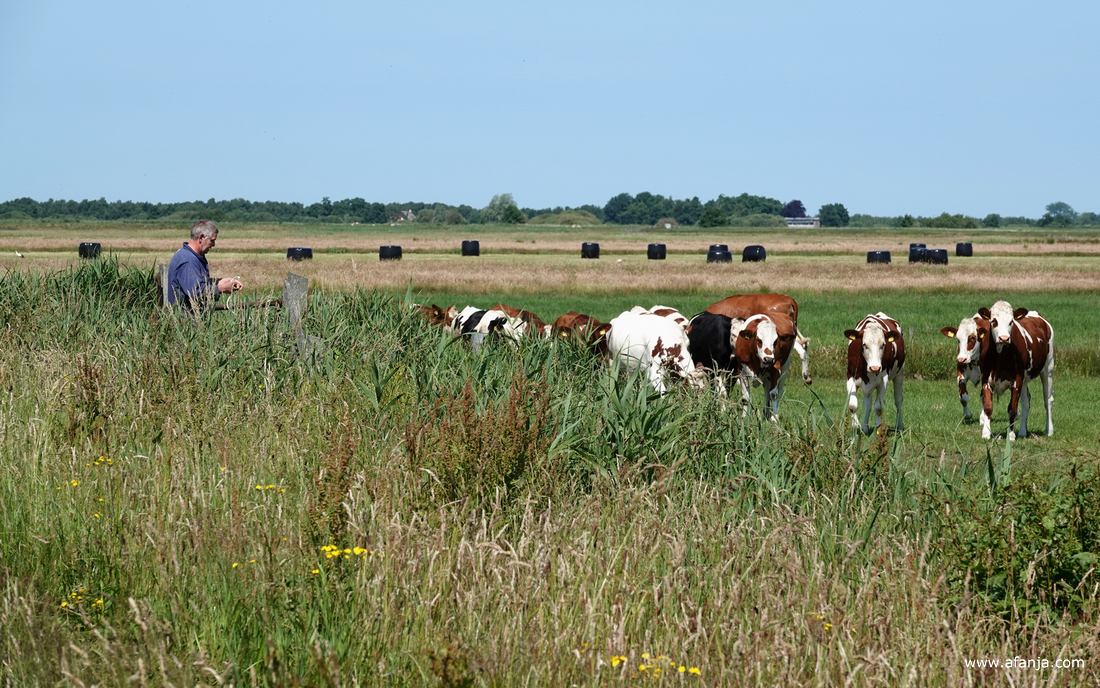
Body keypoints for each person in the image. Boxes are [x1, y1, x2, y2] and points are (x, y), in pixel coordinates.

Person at [166, 219, 243, 308]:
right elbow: (197, 292)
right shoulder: (188, 261)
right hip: (185, 319)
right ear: (201, 238)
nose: (213, 245)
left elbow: (199, 283)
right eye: (212, 240)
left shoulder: (191, 256)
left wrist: (219, 282)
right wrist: (221, 288)